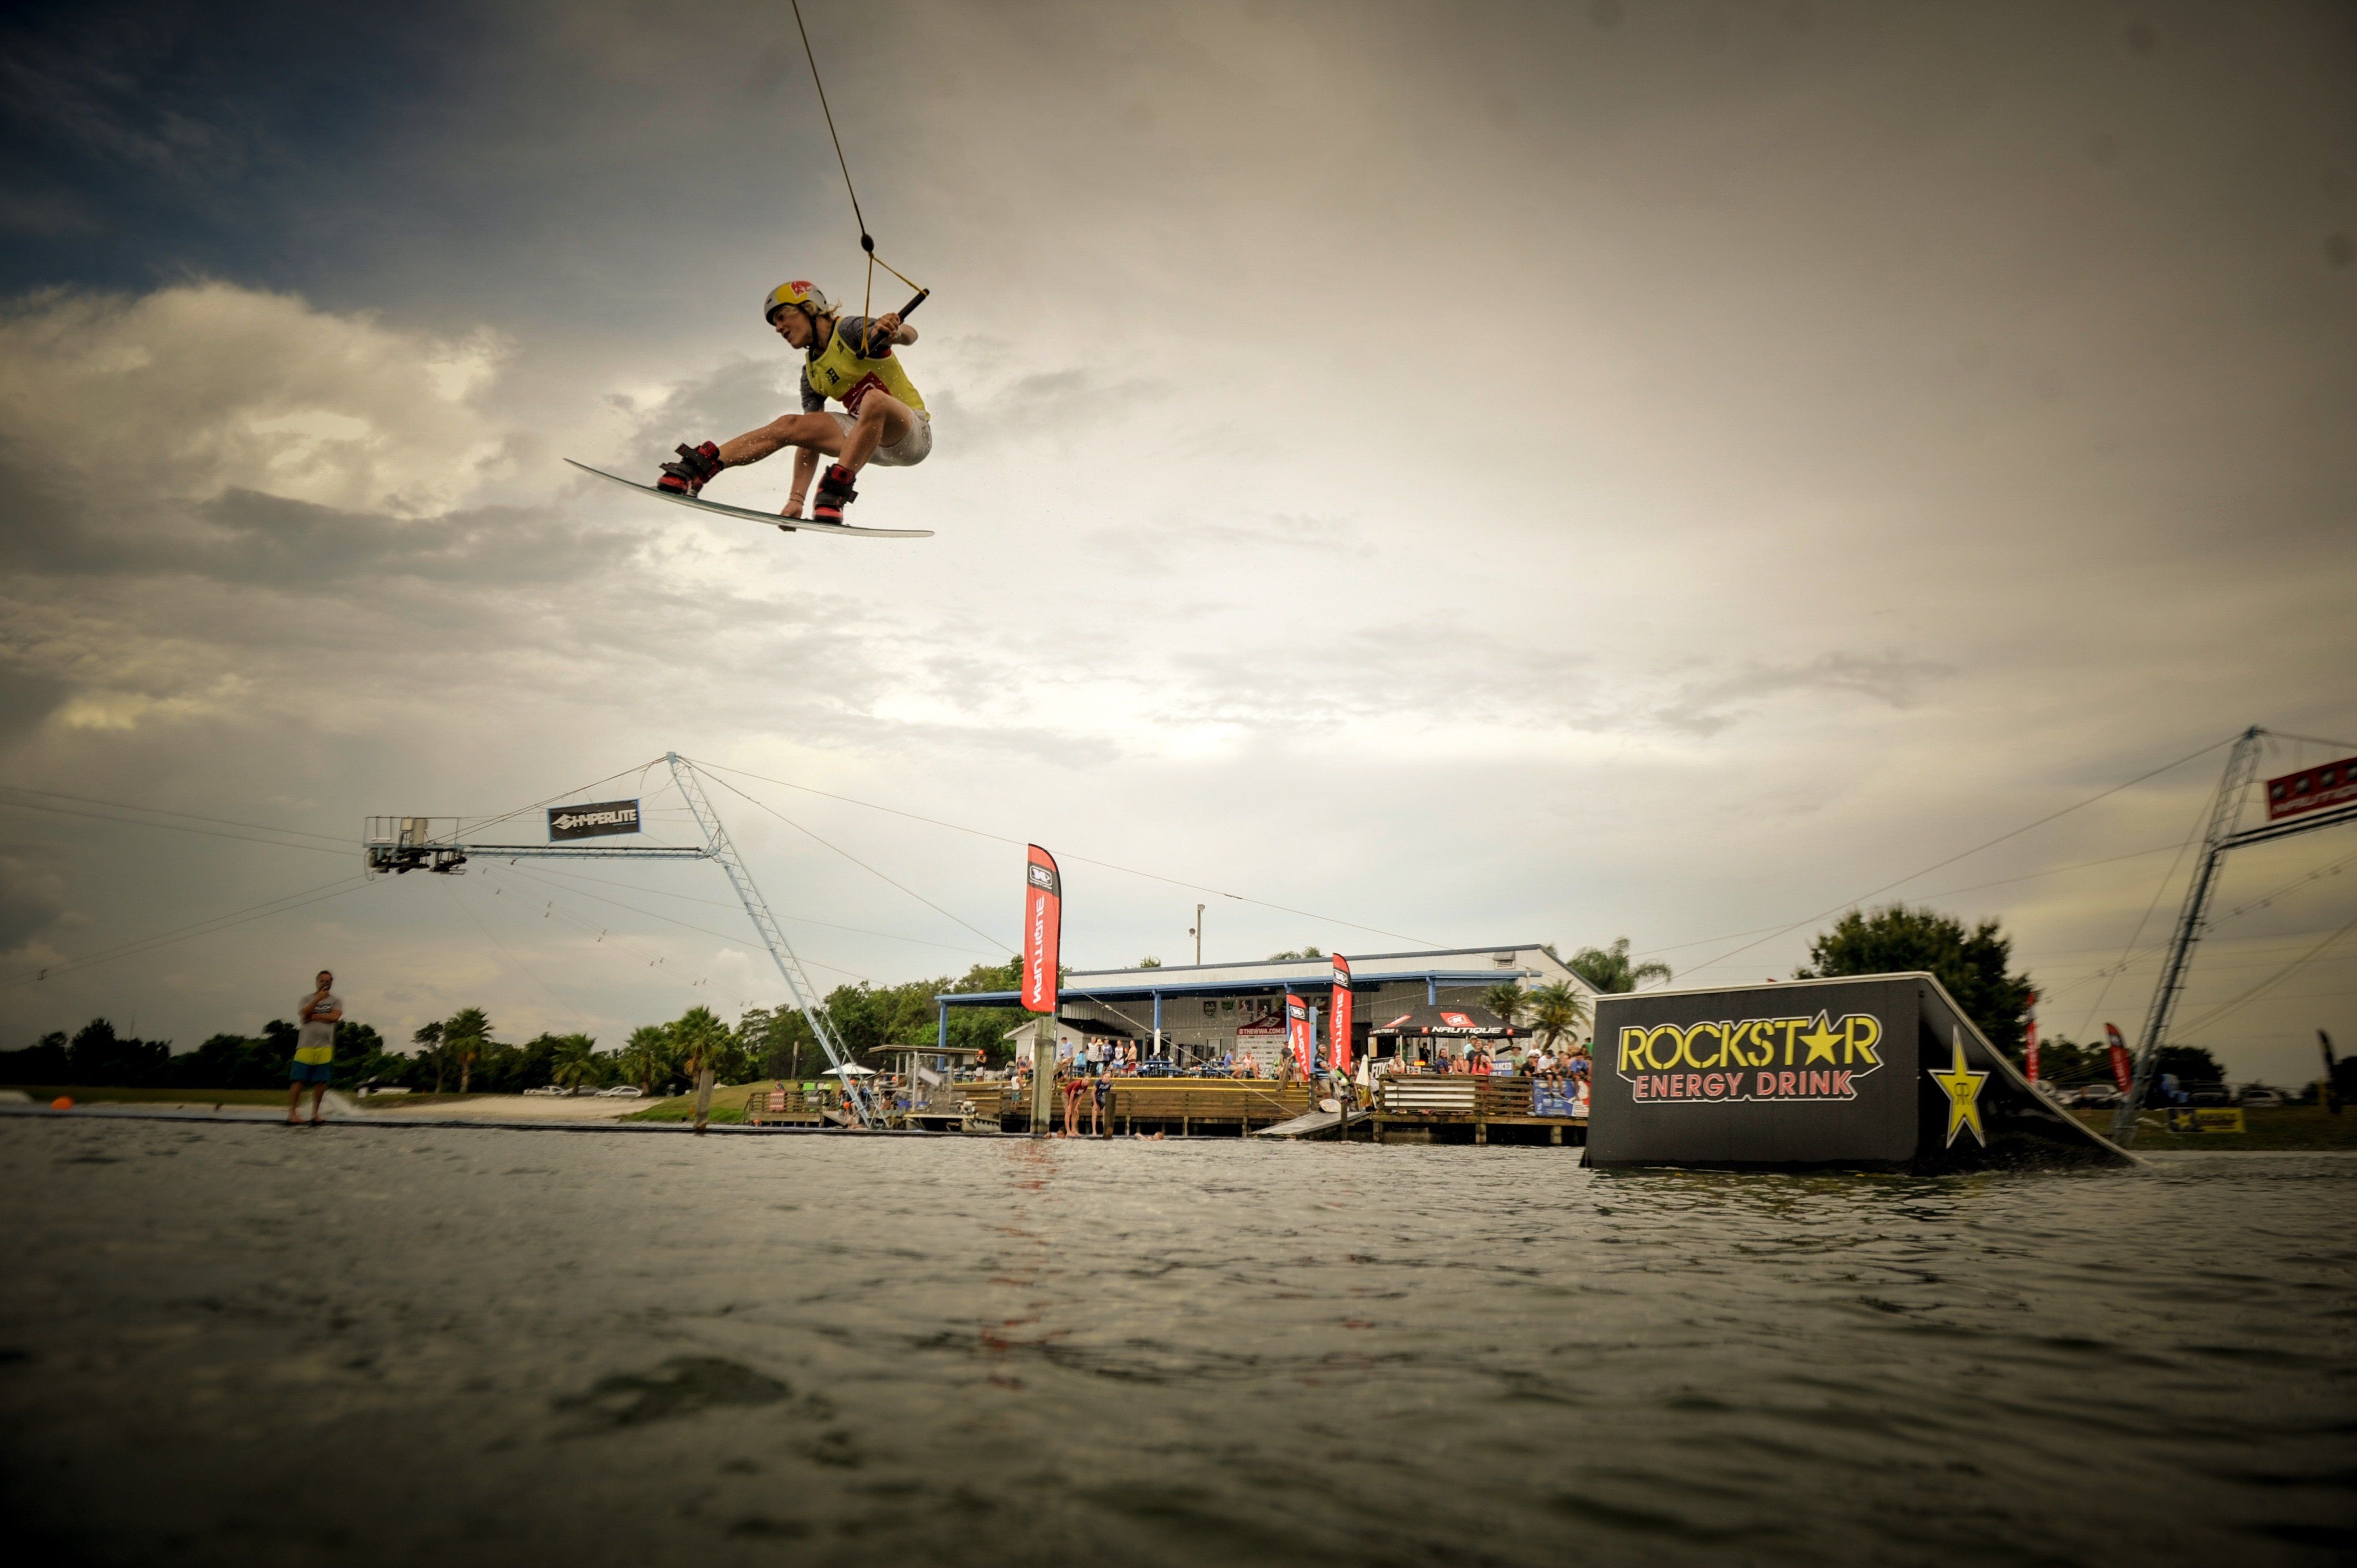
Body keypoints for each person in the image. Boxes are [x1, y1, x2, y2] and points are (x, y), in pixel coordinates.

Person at [655, 281, 932, 524]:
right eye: (775, 323)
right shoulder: (810, 374)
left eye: (781, 316)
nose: (778, 328)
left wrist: (895, 332)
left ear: (809, 308)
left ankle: (835, 490)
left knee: (874, 400)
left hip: (911, 435)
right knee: (790, 424)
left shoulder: (847, 330)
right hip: (863, 441)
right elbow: (808, 441)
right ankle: (701, 468)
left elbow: (911, 334)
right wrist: (796, 499)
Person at [287, 970, 341, 1126]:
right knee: (299, 1079)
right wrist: (317, 1000)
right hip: (306, 1045)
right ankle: (292, 1113)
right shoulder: (306, 999)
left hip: (325, 1046)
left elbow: (335, 1017)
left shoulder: (336, 1001)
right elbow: (304, 1015)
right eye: (322, 981)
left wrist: (315, 1017)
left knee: (321, 1081)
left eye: (328, 981)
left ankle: (315, 1113)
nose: (325, 983)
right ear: (317, 982)